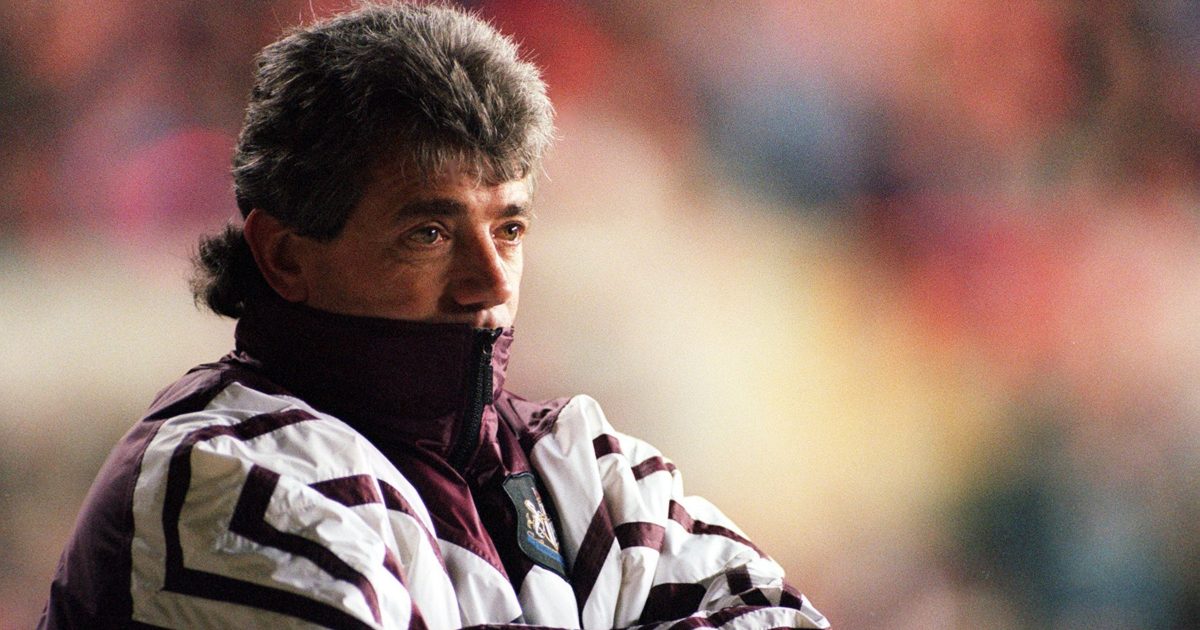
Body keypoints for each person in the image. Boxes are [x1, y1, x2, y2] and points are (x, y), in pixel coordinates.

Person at [39, 3, 828, 628]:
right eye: (429, 233)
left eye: (509, 228)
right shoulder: (218, 481)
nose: (488, 282)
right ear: (283, 254)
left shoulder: (593, 473)